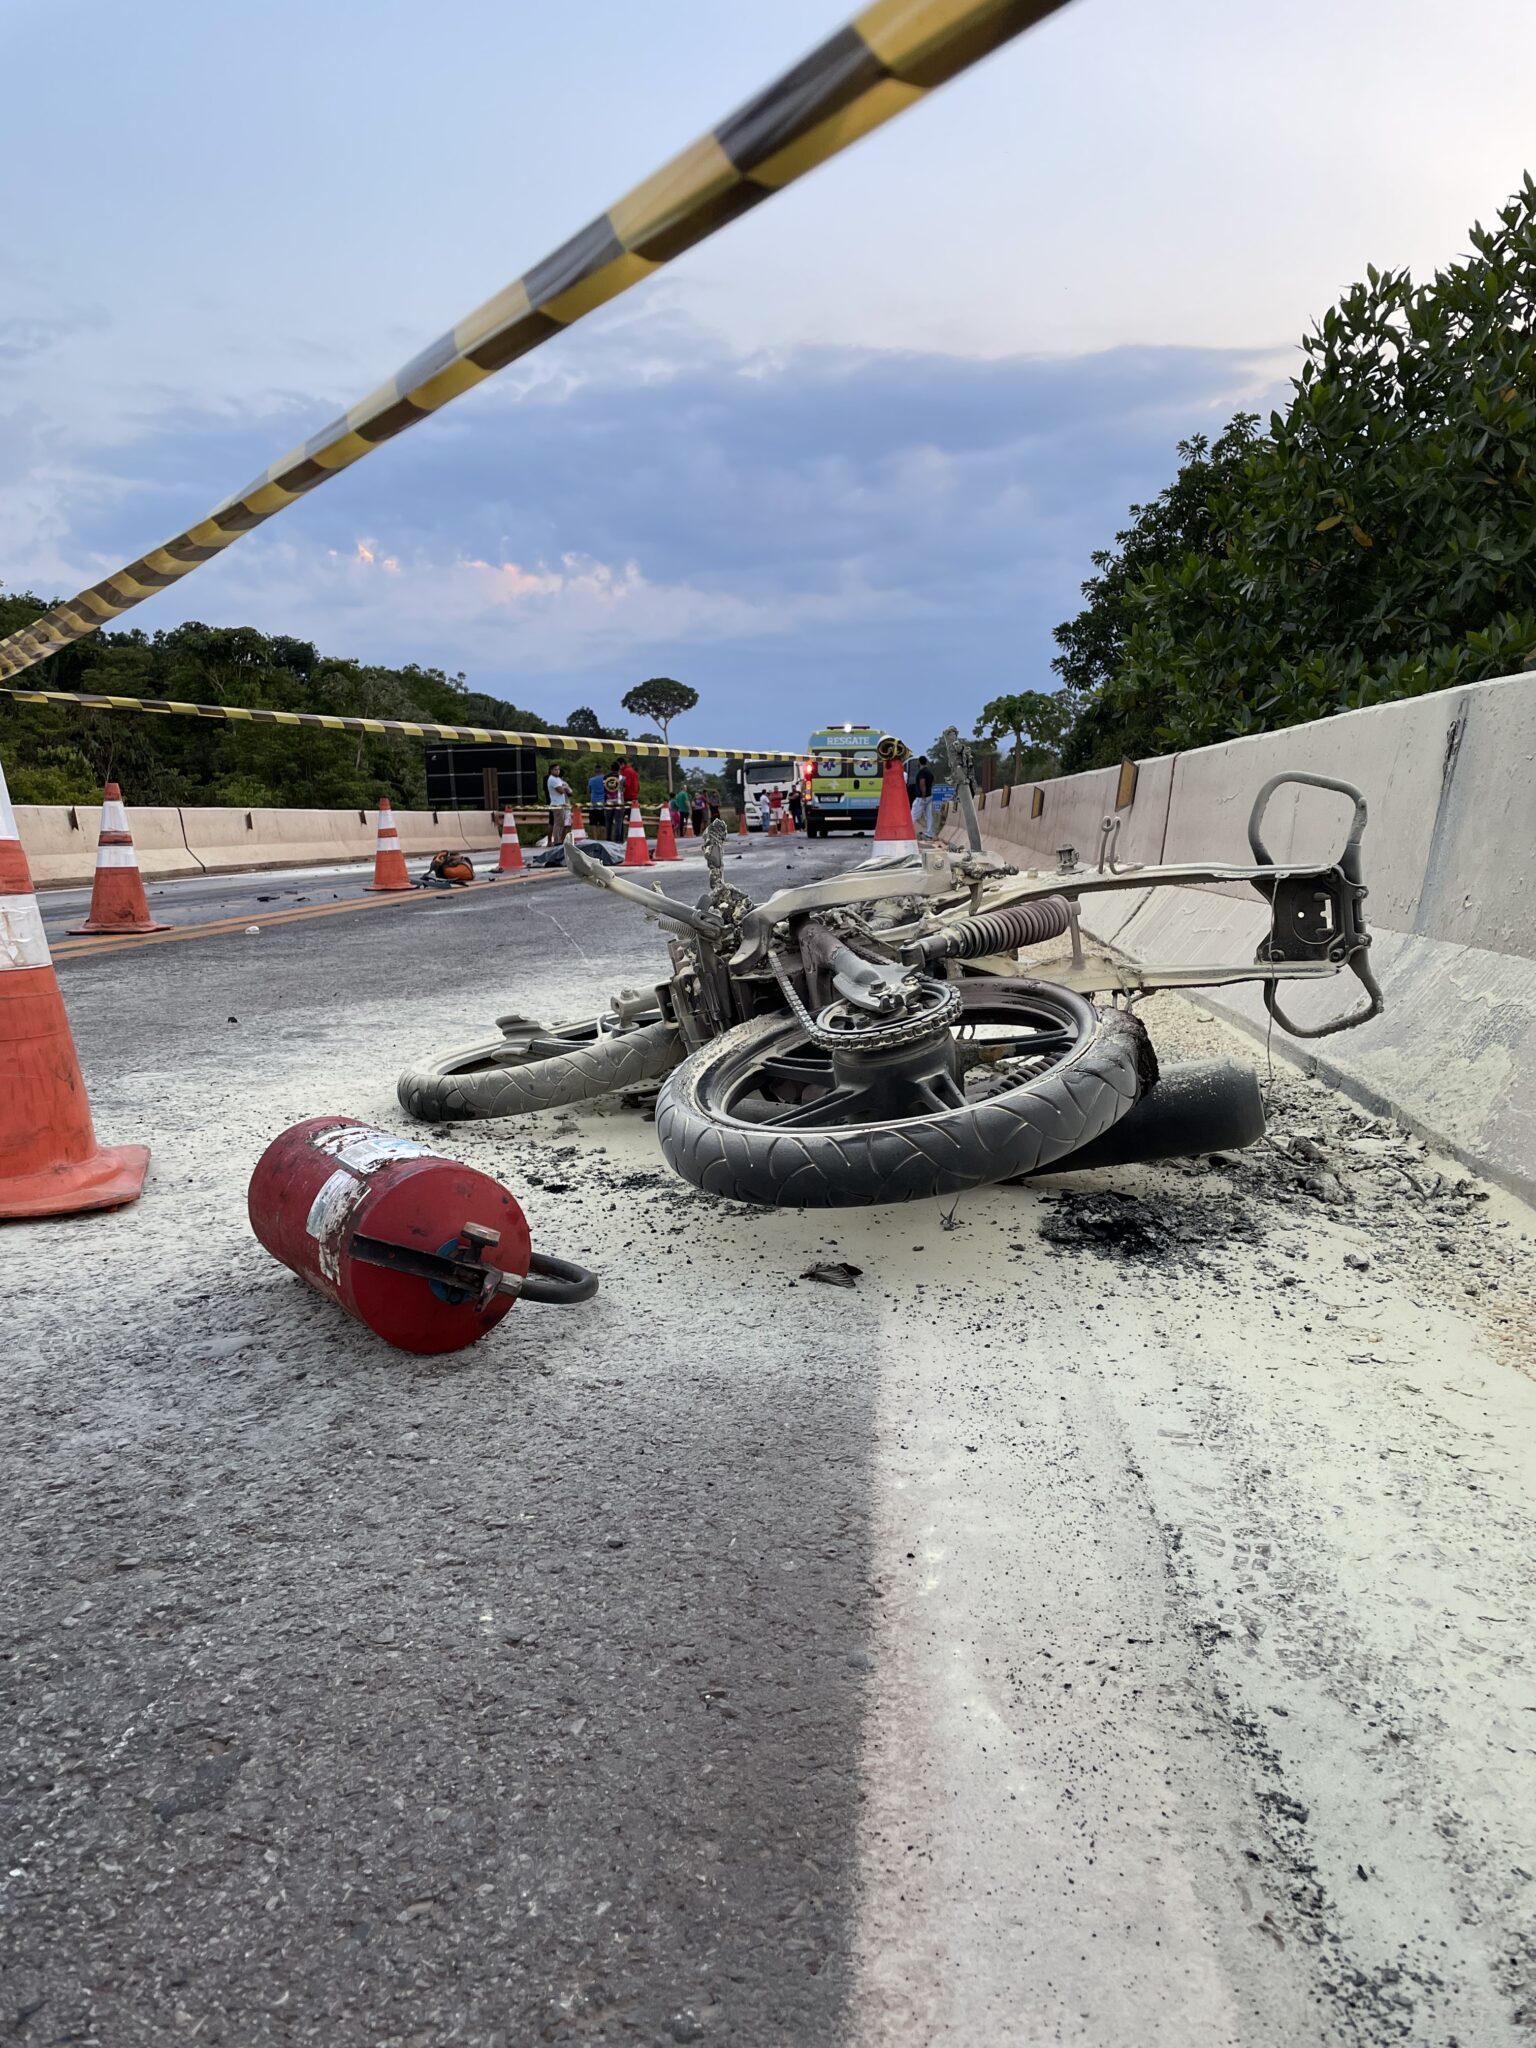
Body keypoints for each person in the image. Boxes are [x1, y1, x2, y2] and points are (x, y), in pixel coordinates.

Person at [910, 755, 935, 838]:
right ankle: (930, 833)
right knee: (929, 816)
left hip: (922, 797)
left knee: (913, 814)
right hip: (929, 796)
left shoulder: (922, 772)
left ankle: (907, 831)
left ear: (919, 762)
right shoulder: (929, 772)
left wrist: (923, 795)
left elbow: (922, 784)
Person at [546, 766, 572, 846]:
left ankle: (559, 840)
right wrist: (564, 787)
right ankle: (557, 841)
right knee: (558, 824)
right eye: (555, 769)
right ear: (551, 770)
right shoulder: (552, 779)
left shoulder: (557, 780)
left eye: (558, 769)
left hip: (561, 804)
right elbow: (561, 791)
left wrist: (563, 787)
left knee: (560, 823)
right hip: (557, 804)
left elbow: (567, 791)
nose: (557, 771)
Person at [587, 766, 609, 842]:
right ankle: (601, 840)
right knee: (602, 824)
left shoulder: (591, 780)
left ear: (595, 771)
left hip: (593, 804)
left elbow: (589, 791)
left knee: (593, 823)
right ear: (602, 771)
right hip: (602, 804)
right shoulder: (605, 780)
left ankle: (595, 839)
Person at [604, 764, 624, 843]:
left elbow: (604, 789)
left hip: (608, 802)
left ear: (611, 768)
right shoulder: (622, 778)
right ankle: (617, 840)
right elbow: (624, 788)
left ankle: (608, 839)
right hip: (619, 802)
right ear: (619, 769)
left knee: (608, 821)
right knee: (618, 821)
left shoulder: (605, 777)